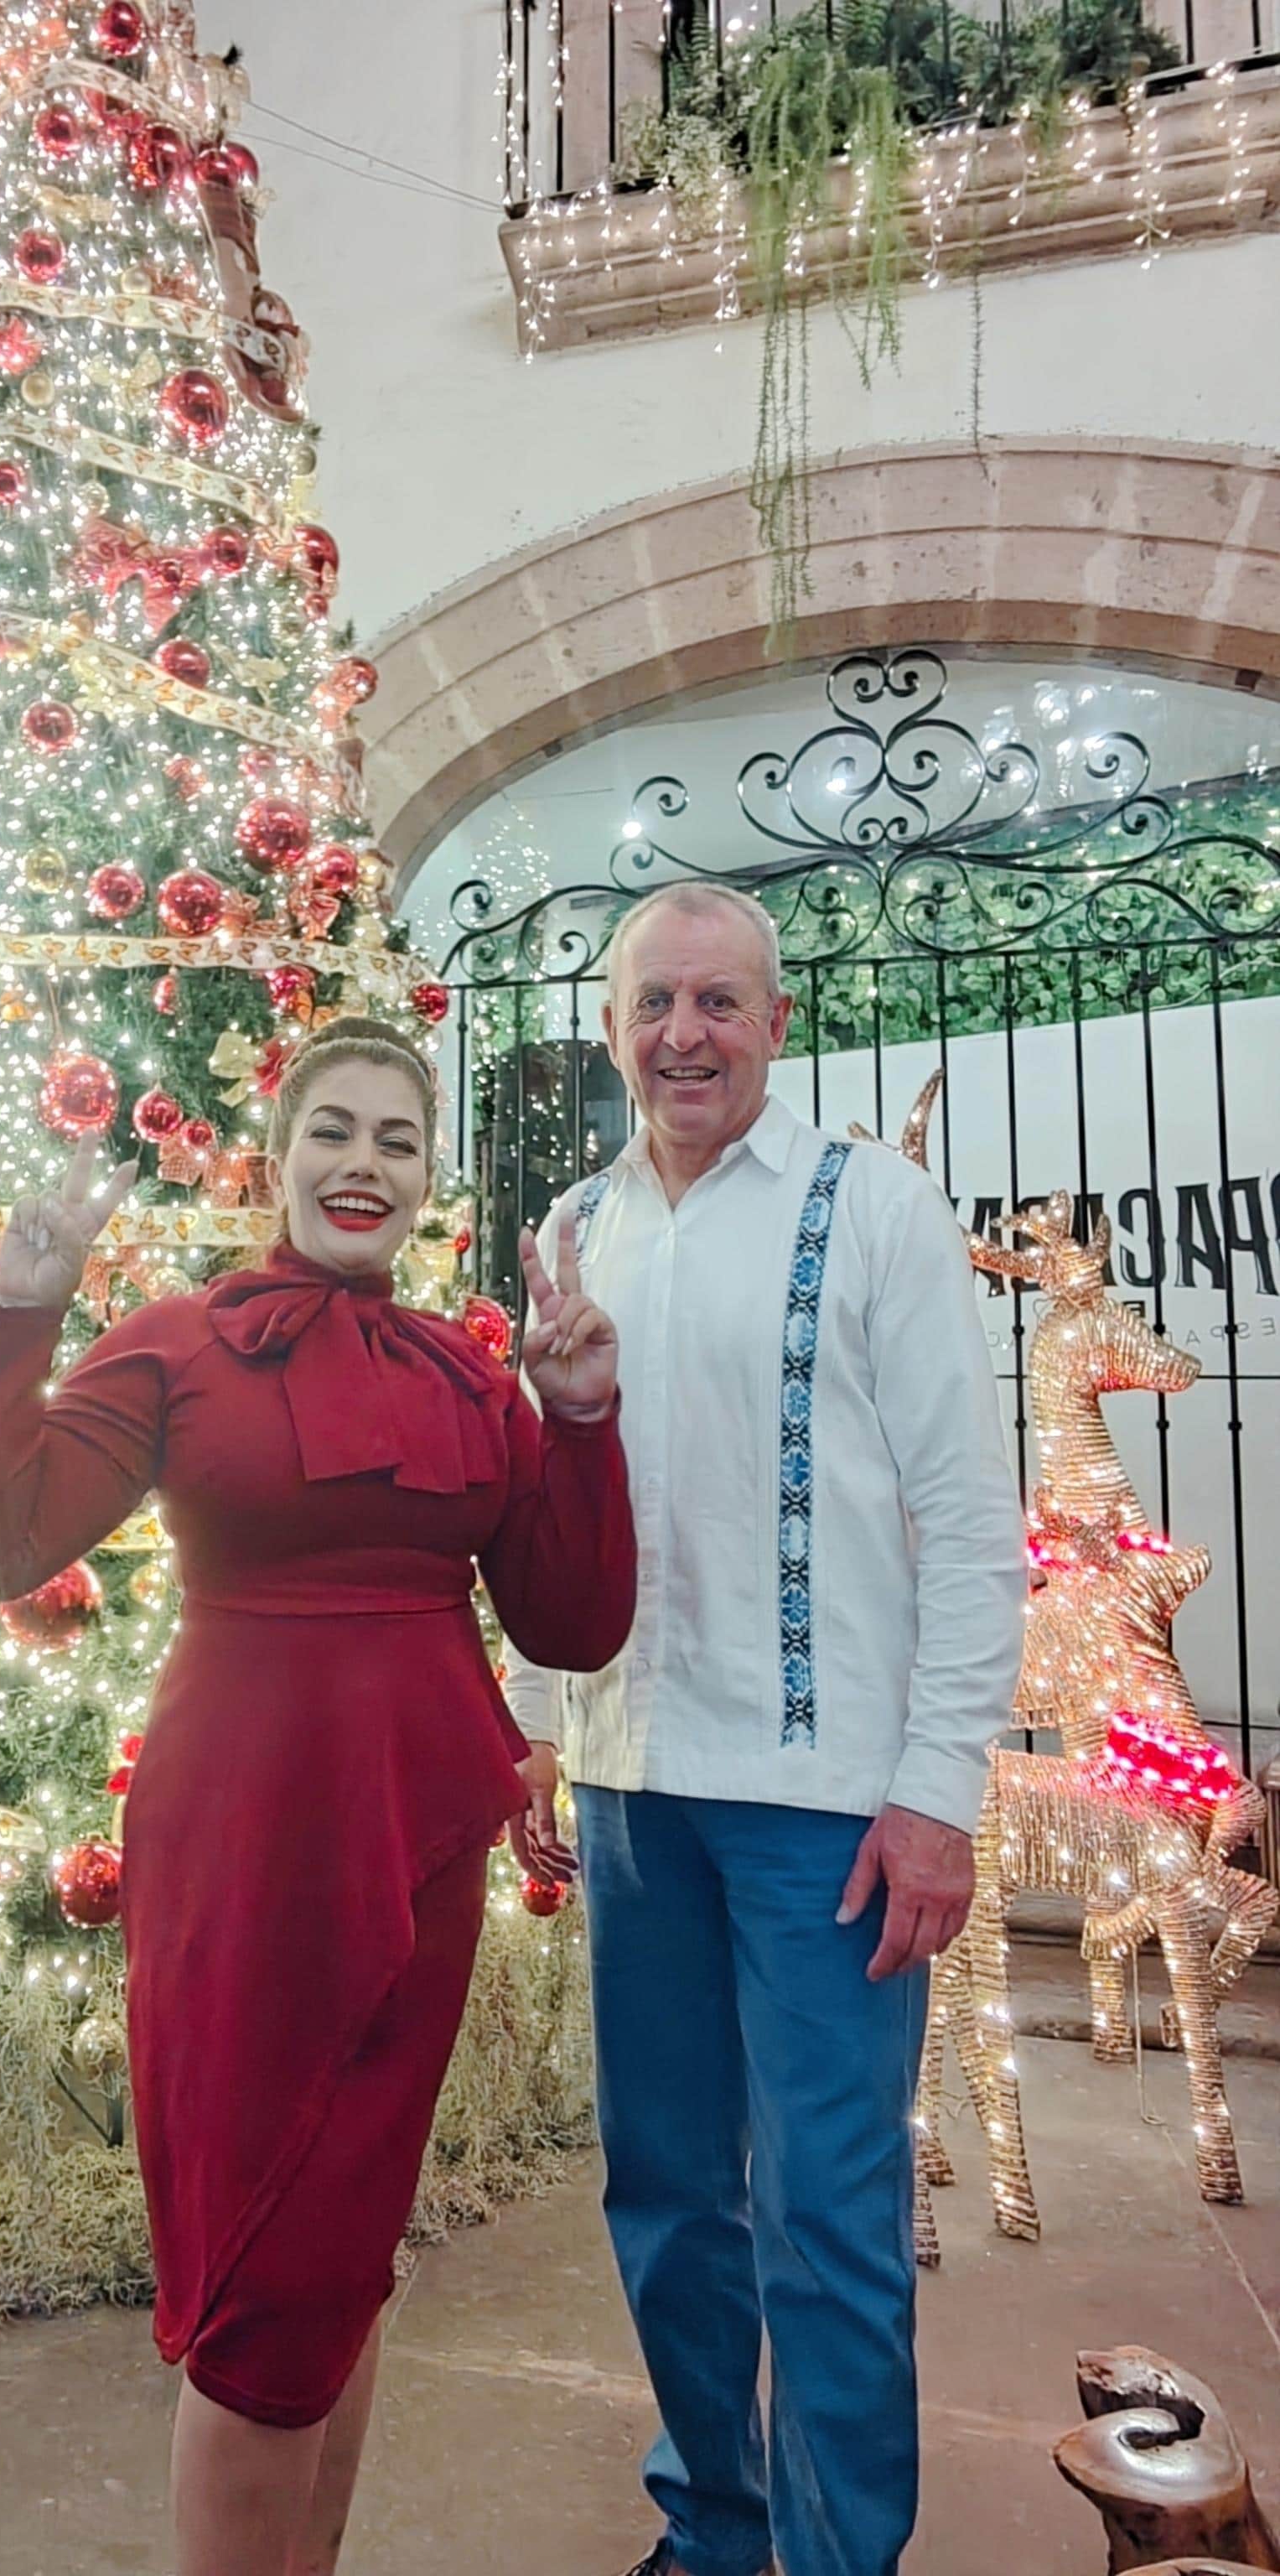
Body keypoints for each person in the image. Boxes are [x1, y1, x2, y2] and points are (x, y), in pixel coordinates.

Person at [0, 1016, 635, 2576]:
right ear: (275, 1157)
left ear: (429, 1180)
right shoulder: (177, 1343)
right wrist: (20, 1321)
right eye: (333, 1131)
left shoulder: (469, 1372)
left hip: (417, 1849)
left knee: (344, 2253)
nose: (362, 1164)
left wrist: (579, 1423)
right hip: (242, 1845)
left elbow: (574, 1625)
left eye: (396, 1139)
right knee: (265, 2271)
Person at [505, 886, 1026, 2576]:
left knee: (826, 2220)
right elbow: (544, 1500)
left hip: (826, 1814)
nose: (684, 1035)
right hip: (630, 1791)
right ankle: (712, 2525)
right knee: (663, 2200)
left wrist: (936, 1792)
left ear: (776, 1025)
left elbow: (966, 1517)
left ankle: (834, 2552)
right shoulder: (572, 1225)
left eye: (718, 1002)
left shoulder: (868, 1206)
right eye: (653, 1003)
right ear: (611, 1031)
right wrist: (535, 1720)